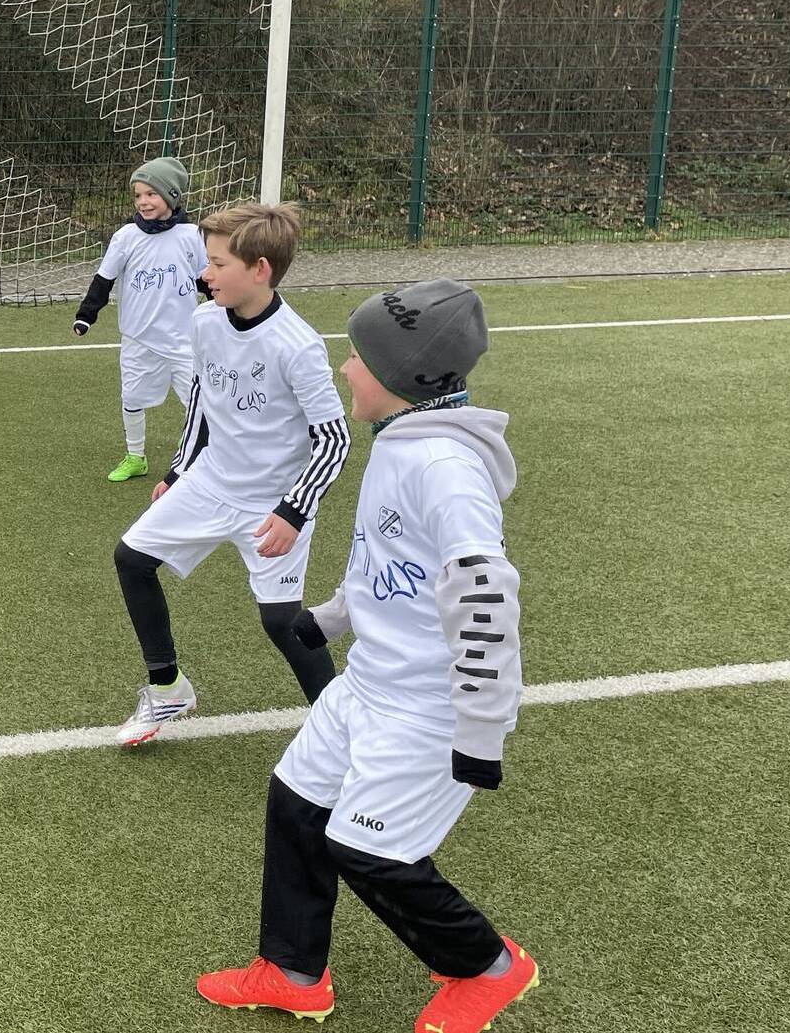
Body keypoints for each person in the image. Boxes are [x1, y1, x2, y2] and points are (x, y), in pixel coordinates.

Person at [197, 279, 539, 1033]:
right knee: (296, 801)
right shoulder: (402, 438)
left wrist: (480, 728)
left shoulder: (445, 470)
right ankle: (292, 972)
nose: (345, 367)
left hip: (428, 707)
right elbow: (386, 559)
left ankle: (486, 964)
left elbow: (484, 595)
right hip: (368, 684)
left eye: (358, 356)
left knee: (368, 850)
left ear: (403, 376)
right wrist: (330, 619)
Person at [112, 202, 350, 745]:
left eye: (217, 264)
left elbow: (334, 439)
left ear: (260, 269)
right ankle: (168, 688)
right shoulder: (204, 322)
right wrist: (178, 472)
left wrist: (293, 511)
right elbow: (202, 400)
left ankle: (342, 731)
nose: (204, 275)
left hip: (273, 505)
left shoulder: (298, 345)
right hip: (210, 483)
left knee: (281, 623)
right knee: (132, 559)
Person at [72, 156, 207, 482]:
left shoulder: (192, 235)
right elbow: (104, 279)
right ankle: (135, 456)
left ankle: (194, 450)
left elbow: (207, 280)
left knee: (198, 400)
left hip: (182, 340)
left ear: (172, 197)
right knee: (131, 398)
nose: (144, 201)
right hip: (138, 339)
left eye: (152, 194)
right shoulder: (126, 237)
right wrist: (86, 315)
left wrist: (229, 313)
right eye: (138, 195)